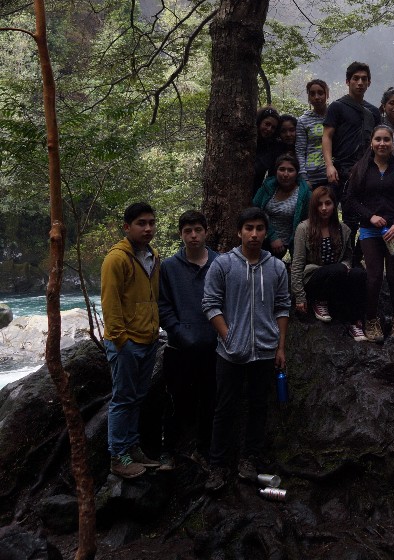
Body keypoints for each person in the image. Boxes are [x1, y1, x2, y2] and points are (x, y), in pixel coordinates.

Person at [202, 207, 291, 492]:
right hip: (230, 353)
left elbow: (282, 307)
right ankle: (217, 466)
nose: (254, 234)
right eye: (249, 228)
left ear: (266, 232)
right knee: (224, 407)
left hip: (265, 351)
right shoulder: (223, 265)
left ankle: (249, 460)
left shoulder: (276, 267)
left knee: (258, 407)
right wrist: (228, 337)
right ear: (239, 231)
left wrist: (281, 347)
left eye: (260, 229)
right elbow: (210, 304)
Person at [101, 202, 162, 479]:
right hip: (126, 343)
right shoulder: (117, 259)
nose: (147, 228)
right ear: (127, 227)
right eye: (141, 223)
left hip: (148, 339)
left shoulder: (153, 256)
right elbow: (110, 304)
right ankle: (118, 456)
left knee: (137, 397)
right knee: (123, 399)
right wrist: (120, 340)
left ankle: (132, 447)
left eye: (151, 222)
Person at [344, 125, 394, 342]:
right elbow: (351, 199)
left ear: (393, 144)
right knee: (374, 276)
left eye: (387, 140)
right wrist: (371, 217)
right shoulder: (361, 168)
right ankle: (371, 319)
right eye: (378, 139)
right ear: (372, 142)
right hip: (370, 231)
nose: (382, 143)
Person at [157, 210, 219, 469]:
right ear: (181, 235)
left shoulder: (221, 263)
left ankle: (203, 450)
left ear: (206, 231)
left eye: (198, 230)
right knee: (174, 399)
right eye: (187, 231)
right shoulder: (169, 267)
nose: (193, 236)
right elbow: (162, 306)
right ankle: (168, 450)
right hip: (179, 348)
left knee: (210, 400)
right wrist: (179, 332)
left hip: (214, 347)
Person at [290, 186, 367, 337]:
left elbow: (348, 256)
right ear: (314, 206)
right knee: (337, 269)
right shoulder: (304, 228)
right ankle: (319, 301)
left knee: (359, 274)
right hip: (314, 279)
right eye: (319, 204)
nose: (324, 208)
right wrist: (299, 297)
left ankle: (355, 322)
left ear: (334, 204)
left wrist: (346, 265)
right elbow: (297, 264)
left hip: (337, 277)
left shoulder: (343, 229)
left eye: (328, 203)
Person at [321, 61, 381, 201]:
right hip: (340, 168)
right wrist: (329, 166)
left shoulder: (373, 112)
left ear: (369, 83)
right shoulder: (337, 107)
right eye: (355, 78)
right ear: (348, 81)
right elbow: (327, 136)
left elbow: (378, 141)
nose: (360, 82)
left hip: (365, 169)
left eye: (364, 79)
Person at [252, 153, 311, 259]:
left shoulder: (304, 194)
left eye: (290, 170)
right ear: (276, 171)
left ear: (297, 173)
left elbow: (307, 220)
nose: (285, 174)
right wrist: (272, 236)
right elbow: (255, 211)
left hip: (284, 245)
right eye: (282, 169)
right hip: (260, 237)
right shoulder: (267, 187)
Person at [296, 79, 330, 188]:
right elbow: (300, 150)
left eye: (320, 93)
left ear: (327, 94)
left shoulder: (335, 116)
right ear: (308, 97)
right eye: (312, 94)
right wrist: (304, 178)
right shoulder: (303, 120)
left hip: (332, 174)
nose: (316, 97)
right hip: (311, 177)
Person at [252, 106, 281, 196]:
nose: (269, 129)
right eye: (267, 124)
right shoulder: (247, 141)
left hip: (255, 192)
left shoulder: (272, 147)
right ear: (259, 122)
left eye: (273, 127)